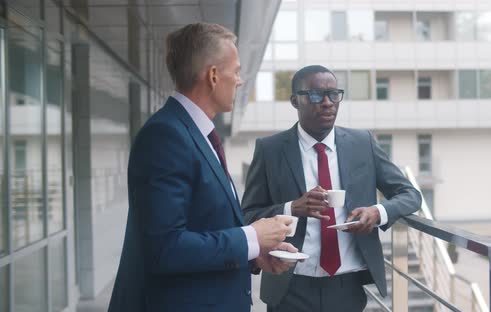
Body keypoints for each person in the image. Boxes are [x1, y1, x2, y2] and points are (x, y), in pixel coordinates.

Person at [108, 22, 297, 312]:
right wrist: (251, 237)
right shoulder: (166, 136)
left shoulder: (195, 133)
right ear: (212, 75)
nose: (239, 80)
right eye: (235, 71)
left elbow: (205, 224)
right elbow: (165, 248)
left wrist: (255, 253)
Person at [242, 65, 422, 311]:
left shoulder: (362, 143)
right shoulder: (270, 150)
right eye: (316, 95)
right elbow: (248, 215)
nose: (327, 103)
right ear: (295, 101)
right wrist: (292, 207)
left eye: (334, 94)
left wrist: (377, 213)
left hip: (346, 286)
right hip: (290, 285)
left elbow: (410, 195)